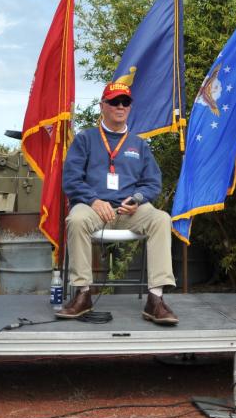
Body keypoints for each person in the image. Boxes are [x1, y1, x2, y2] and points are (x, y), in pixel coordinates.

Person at [56, 81, 179, 325]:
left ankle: (155, 299)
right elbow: (70, 179)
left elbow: (152, 183)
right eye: (114, 102)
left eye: (125, 102)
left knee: (161, 219)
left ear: (130, 107)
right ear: (103, 106)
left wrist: (137, 200)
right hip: (93, 208)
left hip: (129, 212)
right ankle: (82, 293)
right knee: (76, 219)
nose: (120, 106)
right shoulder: (85, 139)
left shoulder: (140, 144)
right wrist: (93, 200)